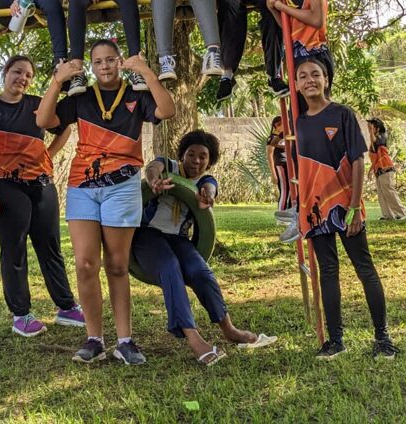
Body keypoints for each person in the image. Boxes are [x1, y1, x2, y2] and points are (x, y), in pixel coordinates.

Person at [36, 39, 175, 364]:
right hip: (82, 185)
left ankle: (125, 341)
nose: (104, 66)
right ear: (92, 66)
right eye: (98, 62)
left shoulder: (136, 94)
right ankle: (94, 339)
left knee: (116, 264)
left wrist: (146, 72)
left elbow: (168, 110)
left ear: (120, 61)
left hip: (122, 186)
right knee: (85, 264)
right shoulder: (81, 96)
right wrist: (57, 80)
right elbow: (43, 121)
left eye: (110, 59)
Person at [132, 130, 271, 366]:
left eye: (203, 156)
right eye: (191, 154)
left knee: (201, 272)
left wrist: (208, 196)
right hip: (147, 236)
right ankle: (194, 339)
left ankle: (229, 329)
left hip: (178, 239)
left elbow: (210, 188)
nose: (196, 160)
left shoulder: (206, 181)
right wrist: (154, 180)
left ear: (210, 160)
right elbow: (153, 167)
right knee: (169, 267)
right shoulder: (169, 167)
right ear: (182, 155)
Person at [0, 55, 84, 337]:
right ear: (5, 72)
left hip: (42, 185)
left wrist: (48, 155)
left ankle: (66, 307)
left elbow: (65, 128)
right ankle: (21, 314)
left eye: (28, 75)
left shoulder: (37, 104)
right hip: (5, 186)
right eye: (17, 72)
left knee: (50, 246)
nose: (22, 78)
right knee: (14, 250)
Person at [294, 57, 398, 360]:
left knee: (364, 268)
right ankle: (336, 341)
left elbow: (358, 161)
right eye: (303, 76)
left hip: (344, 205)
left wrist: (353, 207)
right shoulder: (297, 122)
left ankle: (383, 338)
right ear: (297, 85)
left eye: (316, 74)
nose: (310, 80)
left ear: (326, 79)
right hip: (314, 209)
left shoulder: (342, 114)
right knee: (327, 271)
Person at [367, 118, 406, 221]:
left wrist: (371, 132)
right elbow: (375, 158)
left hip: (386, 169)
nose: (369, 129)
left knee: (389, 192)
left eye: (371, 127)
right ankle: (388, 215)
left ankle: (402, 212)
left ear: (377, 128)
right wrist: (370, 171)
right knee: (382, 193)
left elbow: (374, 141)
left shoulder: (382, 137)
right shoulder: (375, 139)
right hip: (379, 170)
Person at [266, 116, 291, 212]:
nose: (282, 126)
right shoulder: (271, 138)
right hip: (280, 166)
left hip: (288, 165)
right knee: (284, 191)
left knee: (290, 191)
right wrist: (273, 174)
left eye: (283, 123)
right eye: (279, 124)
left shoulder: (285, 137)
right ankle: (281, 213)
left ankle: (287, 213)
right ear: (274, 127)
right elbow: (269, 155)